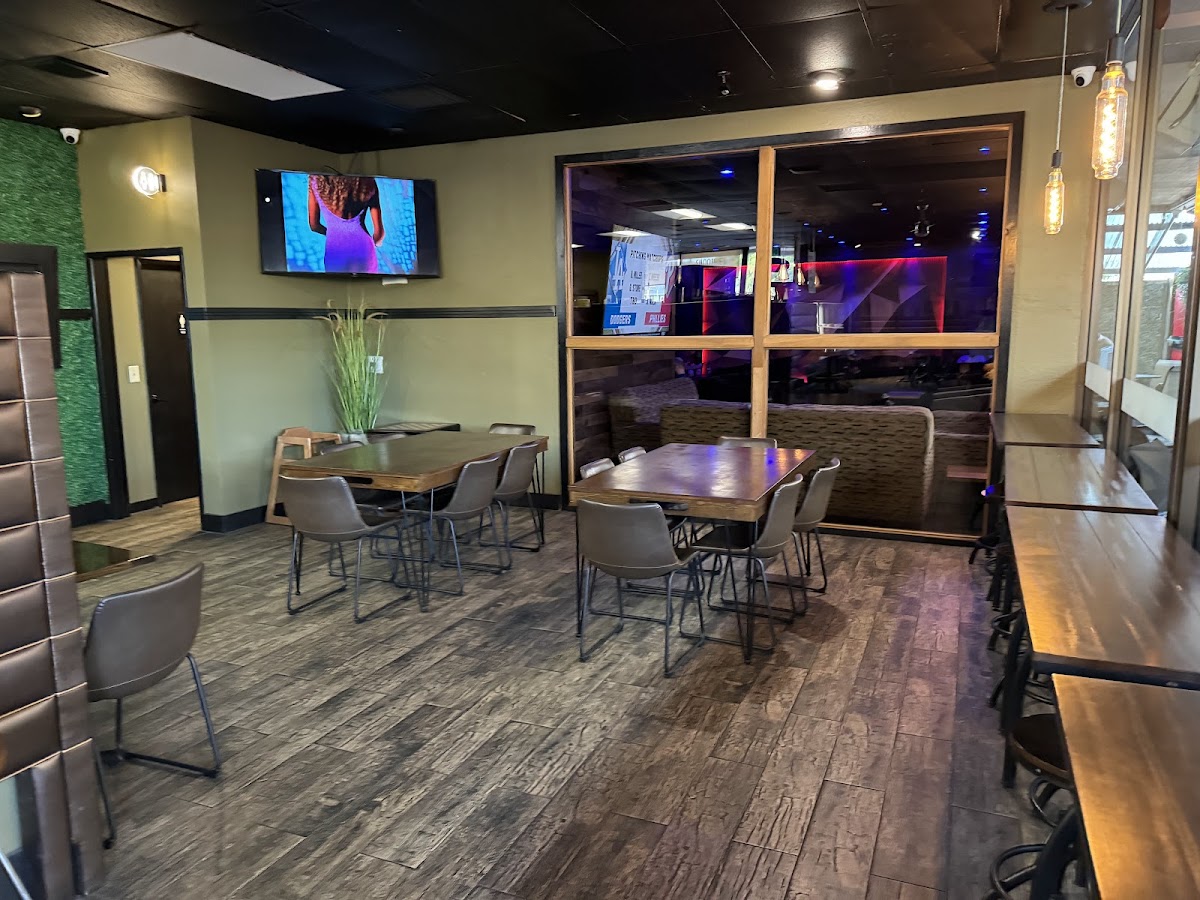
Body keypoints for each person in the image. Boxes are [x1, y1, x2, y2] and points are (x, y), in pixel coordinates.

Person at [307, 175, 385, 273]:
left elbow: (314, 225)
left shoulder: (316, 181)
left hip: (335, 252)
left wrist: (333, 233)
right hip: (364, 251)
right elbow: (379, 234)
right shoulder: (367, 182)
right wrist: (376, 244)